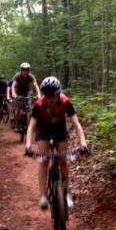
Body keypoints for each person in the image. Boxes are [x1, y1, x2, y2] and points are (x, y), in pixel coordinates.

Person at [25, 76, 88, 211]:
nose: (50, 99)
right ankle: (43, 195)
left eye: (53, 96)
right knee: (44, 160)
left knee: (63, 160)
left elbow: (76, 124)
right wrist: (28, 146)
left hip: (59, 127)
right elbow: (31, 127)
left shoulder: (66, 102)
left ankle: (65, 193)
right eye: (47, 96)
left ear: (58, 93)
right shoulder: (39, 105)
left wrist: (83, 143)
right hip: (43, 128)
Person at [11, 63, 40, 130]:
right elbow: (13, 85)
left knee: (29, 108)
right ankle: (17, 125)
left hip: (27, 92)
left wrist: (38, 94)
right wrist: (13, 93)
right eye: (23, 70)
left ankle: (29, 124)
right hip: (18, 92)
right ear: (21, 70)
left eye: (26, 70)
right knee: (17, 109)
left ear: (28, 70)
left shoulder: (30, 76)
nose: (25, 71)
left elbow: (35, 85)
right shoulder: (17, 76)